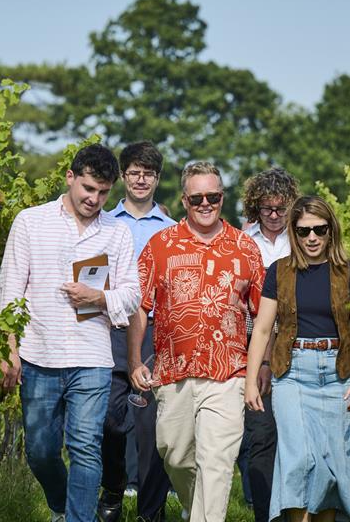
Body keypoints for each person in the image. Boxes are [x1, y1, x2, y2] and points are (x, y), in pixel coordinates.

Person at [0, 144, 141, 522]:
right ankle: (64, 506)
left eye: (103, 192)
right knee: (40, 451)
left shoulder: (118, 233)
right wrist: (8, 349)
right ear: (70, 177)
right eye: (88, 189)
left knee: (85, 448)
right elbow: (9, 291)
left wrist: (98, 296)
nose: (94, 199)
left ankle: (79, 518)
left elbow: (131, 295)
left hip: (92, 357)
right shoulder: (30, 221)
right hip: (38, 353)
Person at [128, 161, 265, 522]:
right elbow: (140, 307)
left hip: (228, 372)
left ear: (222, 197)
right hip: (173, 372)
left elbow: (264, 315)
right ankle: (196, 508)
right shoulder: (161, 245)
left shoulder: (245, 247)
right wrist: (134, 361)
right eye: (198, 198)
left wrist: (261, 365)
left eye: (214, 196)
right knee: (174, 454)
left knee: (216, 462)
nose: (206, 204)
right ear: (185, 200)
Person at [244, 195, 350, 522]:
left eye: (319, 230)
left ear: (331, 231)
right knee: (300, 460)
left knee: (332, 468)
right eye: (303, 232)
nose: (312, 238)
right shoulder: (280, 272)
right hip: (293, 374)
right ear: (294, 233)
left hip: (338, 375)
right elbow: (261, 329)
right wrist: (250, 382)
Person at [97, 141, 175, 522]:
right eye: (134, 172)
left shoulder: (173, 231)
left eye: (148, 173)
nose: (141, 180)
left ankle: (151, 507)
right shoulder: (105, 225)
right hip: (113, 327)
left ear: (157, 179)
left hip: (156, 331)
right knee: (111, 419)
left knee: (152, 422)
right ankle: (113, 487)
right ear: (123, 176)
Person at [239, 166, 300, 522]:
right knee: (260, 432)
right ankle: (264, 512)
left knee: (291, 434)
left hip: (296, 341)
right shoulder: (245, 243)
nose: (275, 216)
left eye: (281, 209)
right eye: (267, 209)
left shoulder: (304, 239)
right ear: (255, 208)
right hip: (255, 338)